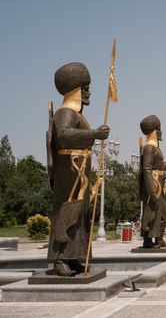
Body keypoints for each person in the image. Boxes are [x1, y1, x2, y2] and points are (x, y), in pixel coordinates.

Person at [47, 62, 110, 276]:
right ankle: (60, 259)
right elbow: (64, 135)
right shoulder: (65, 112)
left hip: (78, 170)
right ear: (75, 91)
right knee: (68, 210)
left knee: (79, 214)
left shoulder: (78, 115)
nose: (88, 92)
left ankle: (73, 256)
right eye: (85, 88)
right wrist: (93, 134)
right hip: (69, 170)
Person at [139, 115, 166, 248]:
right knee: (152, 212)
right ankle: (148, 240)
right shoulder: (149, 148)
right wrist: (152, 190)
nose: (161, 132)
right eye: (159, 129)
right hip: (153, 185)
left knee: (161, 213)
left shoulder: (155, 148)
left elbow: (160, 165)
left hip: (158, 185)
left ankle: (158, 239)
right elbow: (147, 169)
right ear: (153, 132)